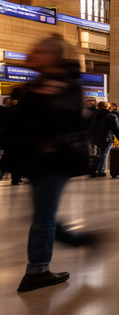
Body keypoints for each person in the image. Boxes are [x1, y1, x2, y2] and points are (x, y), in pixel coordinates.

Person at [4, 35, 93, 292]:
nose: (31, 53)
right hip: (36, 159)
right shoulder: (37, 85)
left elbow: (66, 122)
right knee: (41, 214)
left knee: (42, 216)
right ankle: (77, 241)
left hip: (55, 159)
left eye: (39, 51)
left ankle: (38, 270)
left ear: (53, 57)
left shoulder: (67, 85)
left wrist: (46, 99)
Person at [89, 101, 119, 177]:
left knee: (98, 154)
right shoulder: (111, 116)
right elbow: (117, 130)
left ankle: (95, 170)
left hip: (95, 139)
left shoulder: (93, 116)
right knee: (104, 154)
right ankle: (100, 171)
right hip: (107, 138)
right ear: (108, 107)